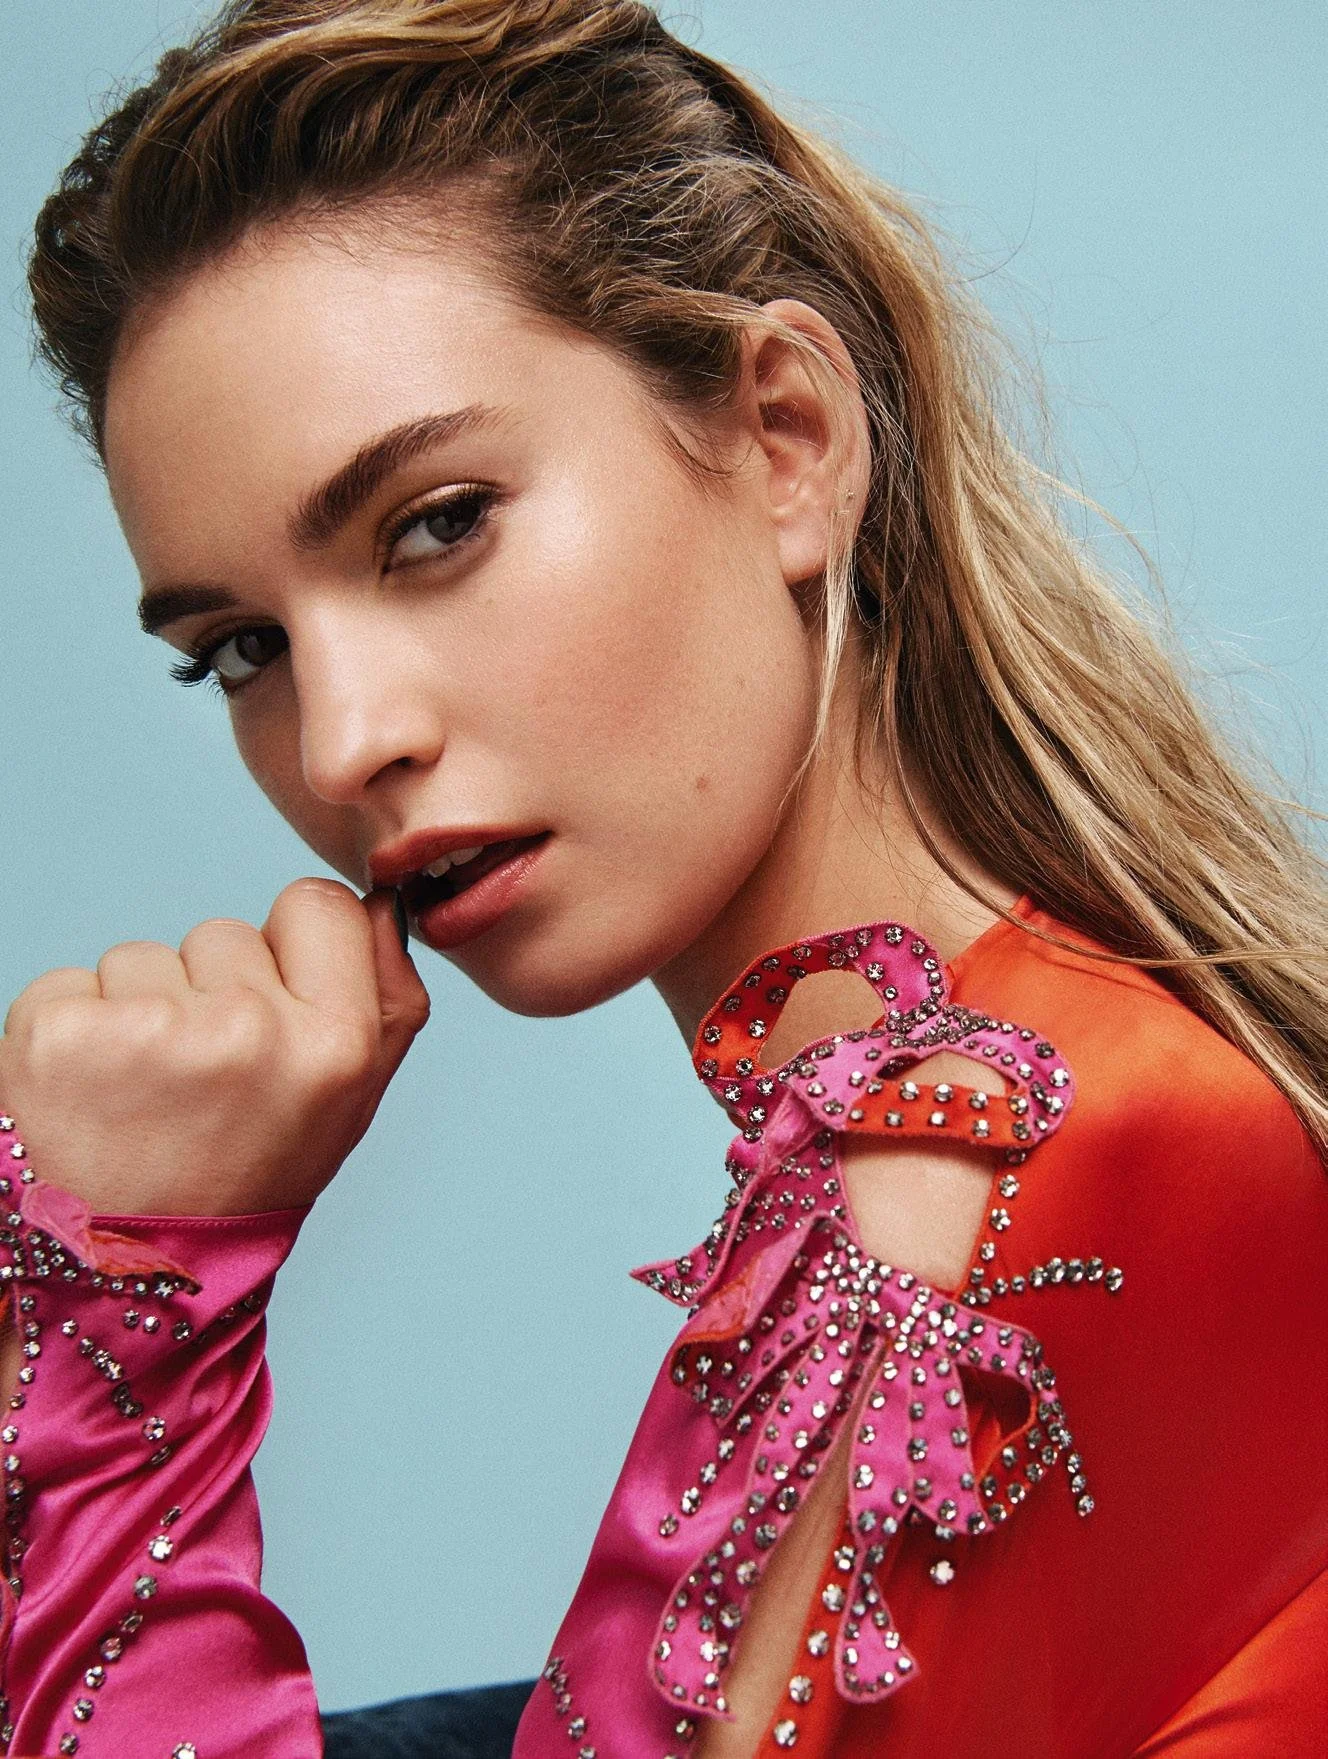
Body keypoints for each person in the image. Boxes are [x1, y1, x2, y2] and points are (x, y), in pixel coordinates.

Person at [3, 0, 1324, 1754]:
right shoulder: (1003, 1083)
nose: (341, 744)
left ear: (787, 439)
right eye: (244, 646)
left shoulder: (971, 1163)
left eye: (437, 523)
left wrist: (118, 1317)